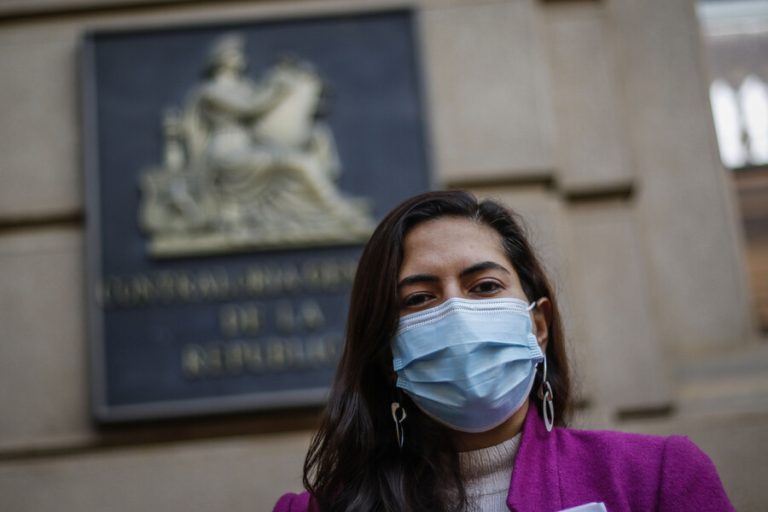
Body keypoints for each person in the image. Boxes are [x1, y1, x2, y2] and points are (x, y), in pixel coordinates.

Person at [273, 190, 734, 512]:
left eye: (485, 286)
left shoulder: (653, 478)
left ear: (538, 325)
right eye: (419, 298)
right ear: (386, 354)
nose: (457, 313)